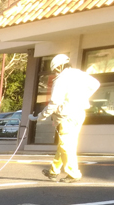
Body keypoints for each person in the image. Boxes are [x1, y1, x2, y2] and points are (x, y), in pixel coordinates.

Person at [29, 54, 100, 183]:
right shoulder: (79, 74)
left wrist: (40, 117)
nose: (55, 72)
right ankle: (53, 171)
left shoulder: (61, 79)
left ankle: (73, 174)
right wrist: (84, 96)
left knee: (67, 145)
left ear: (60, 66)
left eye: (55, 69)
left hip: (67, 115)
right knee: (65, 143)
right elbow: (96, 84)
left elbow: (54, 103)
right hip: (79, 112)